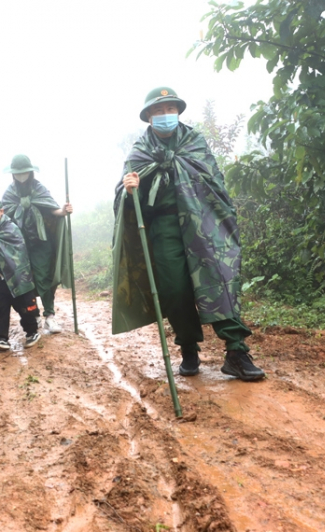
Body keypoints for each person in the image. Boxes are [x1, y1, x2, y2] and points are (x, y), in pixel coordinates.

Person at [112, 86, 265, 381]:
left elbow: (213, 184)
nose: (165, 115)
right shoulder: (139, 153)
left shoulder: (194, 142)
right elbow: (127, 201)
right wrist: (131, 188)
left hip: (202, 222)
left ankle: (236, 351)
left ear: (178, 112)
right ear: (149, 117)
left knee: (219, 278)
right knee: (174, 290)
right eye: (158, 111)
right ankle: (188, 348)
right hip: (163, 227)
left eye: (170, 109)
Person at [1, 155, 73, 333]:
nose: (21, 176)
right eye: (18, 173)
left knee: (44, 278)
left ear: (31, 172)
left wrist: (63, 211)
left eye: (24, 172)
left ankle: (50, 315)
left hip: (41, 241)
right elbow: (3, 216)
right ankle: (34, 315)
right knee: (25, 280)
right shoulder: (9, 193)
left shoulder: (39, 189)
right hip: (18, 245)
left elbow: (51, 208)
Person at [0, 196, 40, 351]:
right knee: (0, 309)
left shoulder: (10, 229)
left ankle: (32, 332)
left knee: (25, 307)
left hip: (18, 278)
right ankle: (1, 338)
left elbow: (18, 252)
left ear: (1, 211)